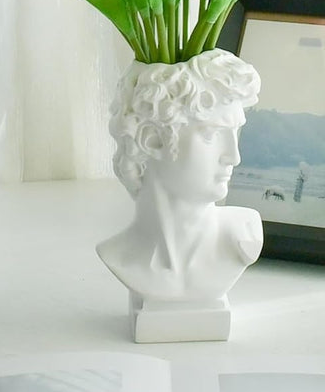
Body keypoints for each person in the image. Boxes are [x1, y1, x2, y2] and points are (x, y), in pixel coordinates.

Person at [97, 49, 263, 303]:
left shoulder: (243, 237)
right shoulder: (118, 256)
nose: (233, 157)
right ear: (152, 139)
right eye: (212, 134)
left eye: (235, 133)